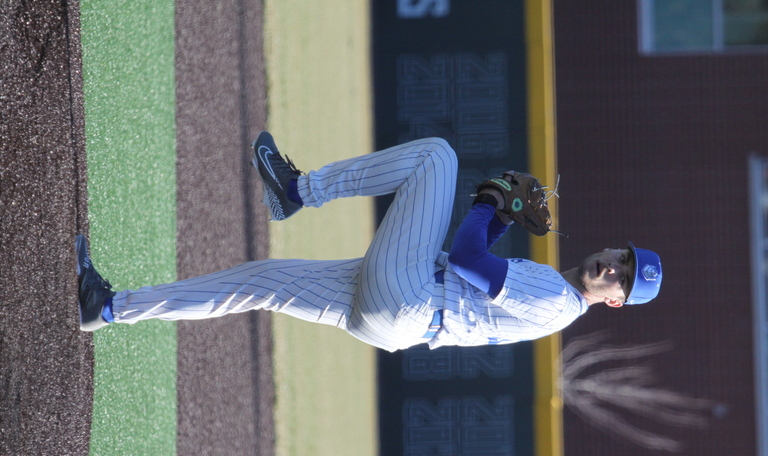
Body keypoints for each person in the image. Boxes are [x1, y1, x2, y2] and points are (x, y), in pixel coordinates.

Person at [77, 132, 662, 352]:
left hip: (410, 297)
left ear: (614, 301)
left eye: (622, 278)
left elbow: (464, 257)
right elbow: (475, 270)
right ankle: (106, 308)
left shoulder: (559, 305)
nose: (613, 266)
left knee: (438, 157)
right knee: (256, 284)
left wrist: (489, 205)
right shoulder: (554, 291)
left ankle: (298, 190)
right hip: (391, 315)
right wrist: (500, 219)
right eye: (622, 258)